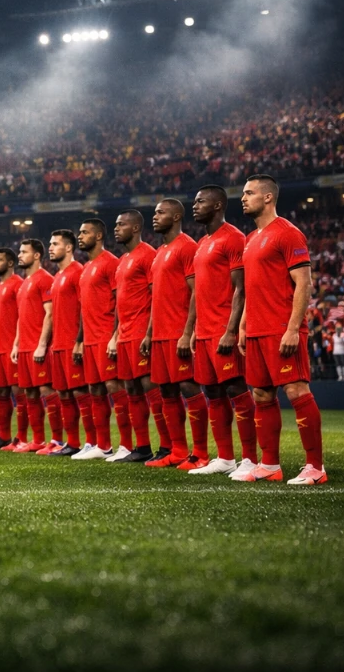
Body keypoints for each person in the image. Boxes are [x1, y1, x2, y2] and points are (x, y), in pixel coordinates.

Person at [236, 174, 326, 485]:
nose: (243, 198)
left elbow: (304, 283)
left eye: (249, 193)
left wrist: (292, 329)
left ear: (268, 198)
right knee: (261, 394)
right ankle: (270, 465)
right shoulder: (250, 240)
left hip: (281, 328)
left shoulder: (288, 234)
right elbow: (251, 287)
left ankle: (315, 467)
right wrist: (244, 325)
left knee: (296, 390)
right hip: (258, 330)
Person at [185, 186, 258, 477]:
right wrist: (193, 329)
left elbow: (241, 287)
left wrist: (230, 331)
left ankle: (250, 459)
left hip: (222, 330)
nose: (195, 205)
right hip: (203, 332)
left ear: (217, 205)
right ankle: (225, 458)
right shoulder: (203, 243)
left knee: (235, 388)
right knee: (212, 391)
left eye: (200, 201)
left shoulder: (234, 238)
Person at [141, 199, 208, 470]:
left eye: (160, 212)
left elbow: (196, 291)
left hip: (179, 332)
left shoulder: (187, 247)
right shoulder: (160, 252)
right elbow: (157, 298)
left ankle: (200, 452)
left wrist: (187, 331)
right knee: (167, 390)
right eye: (154, 212)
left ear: (177, 215)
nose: (155, 217)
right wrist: (149, 333)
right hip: (159, 335)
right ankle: (178, 450)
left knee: (188, 386)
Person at [109, 210, 164, 463]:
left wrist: (150, 332)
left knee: (150, 387)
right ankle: (142, 447)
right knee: (131, 388)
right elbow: (120, 303)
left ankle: (166, 446)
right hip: (124, 334)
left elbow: (156, 296)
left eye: (121, 224)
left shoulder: (148, 255)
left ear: (135, 228)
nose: (116, 228)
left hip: (142, 332)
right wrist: (115, 335)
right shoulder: (123, 261)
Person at [74, 219, 124, 460]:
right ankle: (102, 446)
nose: (80, 236)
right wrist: (80, 340)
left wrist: (115, 335)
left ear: (99, 235)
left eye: (85, 232)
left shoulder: (111, 263)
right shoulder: (86, 268)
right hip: (90, 339)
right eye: (80, 232)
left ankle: (128, 445)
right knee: (94, 389)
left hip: (106, 335)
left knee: (114, 386)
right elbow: (84, 309)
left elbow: (119, 302)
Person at [45, 230, 91, 457]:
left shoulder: (78, 272)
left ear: (69, 247)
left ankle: (93, 443)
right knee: (63, 394)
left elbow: (84, 308)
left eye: (55, 244)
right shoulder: (58, 277)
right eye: (50, 244)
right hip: (58, 345)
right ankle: (72, 443)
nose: (51, 248)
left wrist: (79, 340)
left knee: (81, 392)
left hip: (73, 343)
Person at [10, 239, 58, 454]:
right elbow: (21, 318)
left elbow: (50, 313)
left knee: (46, 390)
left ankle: (57, 440)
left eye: (24, 252)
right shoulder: (24, 283)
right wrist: (16, 344)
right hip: (24, 347)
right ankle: (37, 440)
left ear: (37, 255)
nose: (19, 255)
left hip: (39, 347)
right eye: (19, 252)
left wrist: (41, 344)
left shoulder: (45, 279)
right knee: (29, 392)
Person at [0, 248, 23, 451]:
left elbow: (22, 315)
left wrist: (17, 343)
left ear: (10, 263)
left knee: (18, 392)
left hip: (12, 348)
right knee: (0, 391)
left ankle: (21, 437)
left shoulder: (17, 284)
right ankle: (3, 436)